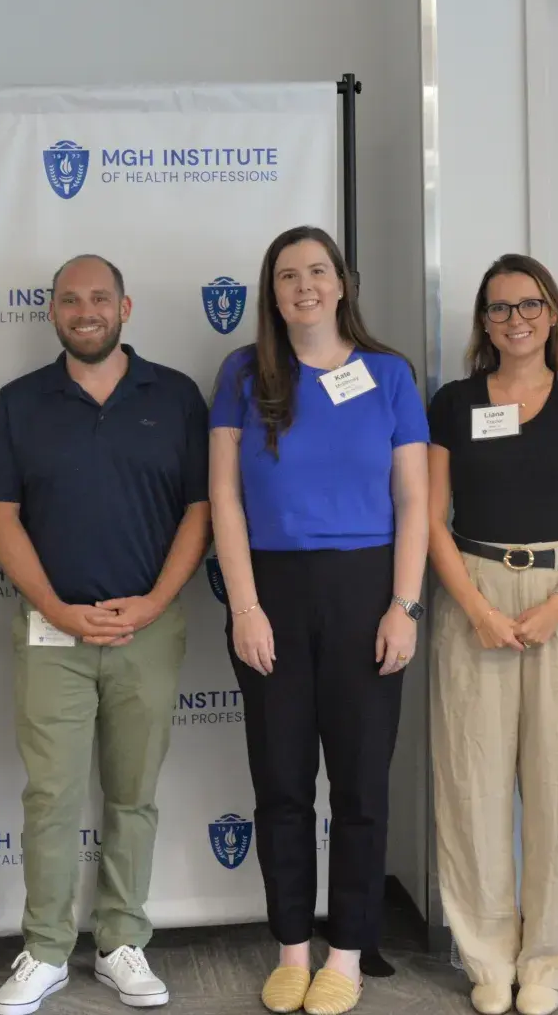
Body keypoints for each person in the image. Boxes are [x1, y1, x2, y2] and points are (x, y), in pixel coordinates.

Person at [0, 255, 212, 1015]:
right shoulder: (20, 402)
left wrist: (155, 602)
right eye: (70, 300)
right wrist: (55, 607)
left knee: (134, 793)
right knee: (51, 795)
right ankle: (45, 949)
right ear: (53, 312)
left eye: (99, 298)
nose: (85, 311)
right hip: (53, 632)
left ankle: (120, 942)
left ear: (125, 308)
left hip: (149, 629)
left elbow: (201, 509)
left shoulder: (174, 396)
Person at [209, 226, 429, 1015]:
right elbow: (225, 496)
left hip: (368, 590)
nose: (304, 285)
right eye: (287, 275)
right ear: (271, 293)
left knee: (362, 786)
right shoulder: (243, 373)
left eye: (317, 271)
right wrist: (245, 607)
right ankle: (293, 951)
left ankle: (347, 955)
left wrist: (404, 605)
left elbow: (414, 499)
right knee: (281, 783)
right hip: (270, 591)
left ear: (342, 283)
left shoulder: (389, 374)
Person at [426, 255, 558, 1015]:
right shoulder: (453, 403)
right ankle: (486, 956)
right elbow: (431, 518)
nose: (516, 320)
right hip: (471, 593)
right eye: (501, 308)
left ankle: (545, 961)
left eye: (529, 305)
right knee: (470, 781)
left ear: (553, 312)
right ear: (484, 321)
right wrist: (475, 607)